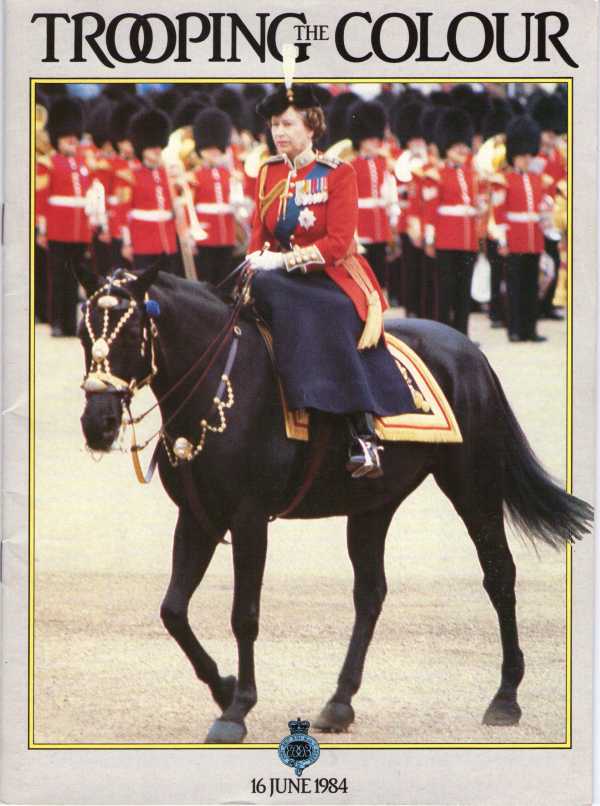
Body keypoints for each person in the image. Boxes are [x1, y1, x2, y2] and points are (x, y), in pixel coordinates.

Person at [246, 84, 416, 479]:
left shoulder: (338, 173)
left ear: (311, 126)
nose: (279, 132)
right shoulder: (269, 172)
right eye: (275, 124)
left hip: (331, 275)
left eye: (288, 124)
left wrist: (283, 261)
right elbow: (259, 233)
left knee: (331, 315)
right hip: (276, 276)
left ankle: (363, 430)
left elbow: (338, 243)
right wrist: (253, 263)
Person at [422, 108, 482, 337]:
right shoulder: (436, 175)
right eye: (458, 146)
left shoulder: (472, 174)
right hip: (446, 240)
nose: (463, 150)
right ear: (447, 148)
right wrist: (429, 238)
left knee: (463, 292)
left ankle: (462, 336)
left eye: (464, 146)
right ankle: (443, 338)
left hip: (468, 240)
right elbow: (430, 210)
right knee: (445, 293)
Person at [35, 96, 92, 337]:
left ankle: (71, 323)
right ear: (58, 138)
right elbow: (41, 199)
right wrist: (41, 228)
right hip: (58, 229)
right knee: (58, 278)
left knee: (74, 279)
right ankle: (57, 322)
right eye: (67, 136)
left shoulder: (83, 163)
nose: (72, 140)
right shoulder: (48, 163)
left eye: (74, 136)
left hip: (80, 230)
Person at [492, 115, 551, 343]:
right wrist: (502, 240)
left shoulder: (538, 179)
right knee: (515, 287)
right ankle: (515, 329)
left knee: (530, 286)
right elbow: (499, 213)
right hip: (514, 239)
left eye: (529, 155)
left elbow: (541, 207)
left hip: (534, 238)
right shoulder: (503, 180)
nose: (526, 159)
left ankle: (530, 329)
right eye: (522, 155)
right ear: (513, 155)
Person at [114, 108, 182, 276]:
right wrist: (126, 243)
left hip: (167, 242)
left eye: (159, 146)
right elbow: (122, 212)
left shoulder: (168, 174)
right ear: (142, 149)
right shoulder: (128, 176)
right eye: (152, 147)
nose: (157, 150)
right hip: (142, 242)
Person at [190, 108, 236, 286]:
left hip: (227, 233)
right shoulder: (195, 176)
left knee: (225, 279)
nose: (213, 153)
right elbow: (189, 207)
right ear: (201, 151)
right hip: (205, 234)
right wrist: (191, 236)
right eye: (208, 150)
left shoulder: (229, 175)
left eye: (216, 149)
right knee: (206, 280)